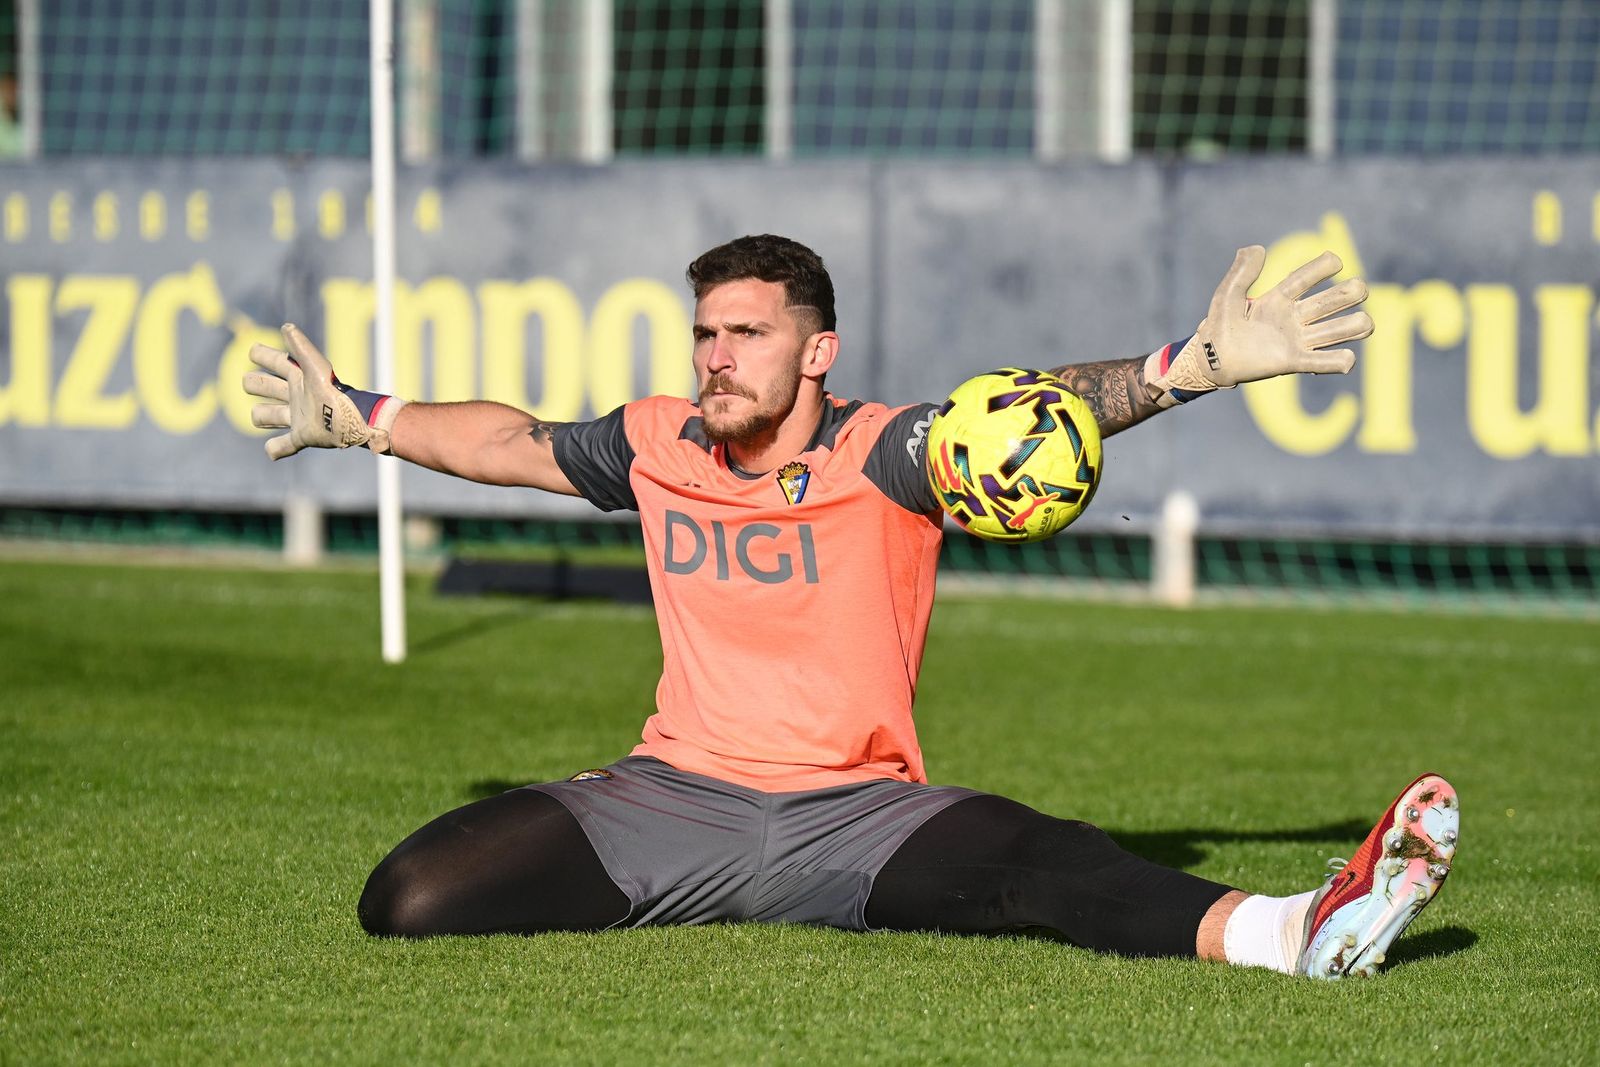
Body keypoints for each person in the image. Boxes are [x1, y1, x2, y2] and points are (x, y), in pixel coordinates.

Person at [243, 234, 1458, 978]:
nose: (716, 356)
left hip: (858, 820)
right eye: (705, 332)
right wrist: (363, 414)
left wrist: (1181, 370)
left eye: (748, 334)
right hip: (667, 802)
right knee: (407, 898)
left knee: (1046, 867)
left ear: (815, 354)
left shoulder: (889, 451)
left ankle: (1302, 927)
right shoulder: (656, 443)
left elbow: (1033, 408)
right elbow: (510, 441)